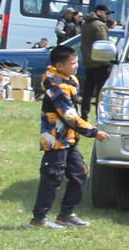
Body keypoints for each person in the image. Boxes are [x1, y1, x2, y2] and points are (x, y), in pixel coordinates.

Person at [32, 45, 107, 229]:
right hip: (56, 139)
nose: (76, 66)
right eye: (72, 63)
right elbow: (69, 116)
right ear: (59, 65)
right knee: (52, 177)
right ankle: (38, 219)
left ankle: (66, 215)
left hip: (69, 139)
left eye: (76, 62)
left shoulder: (69, 80)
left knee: (80, 173)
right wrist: (93, 131)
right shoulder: (56, 87)